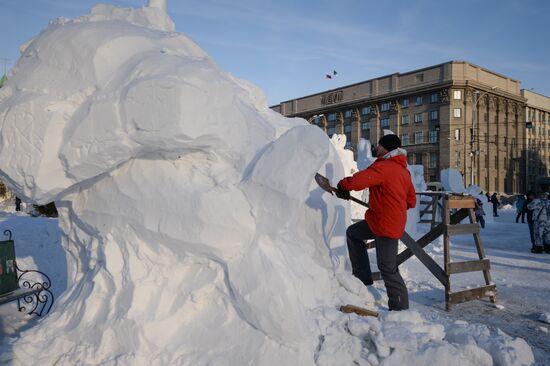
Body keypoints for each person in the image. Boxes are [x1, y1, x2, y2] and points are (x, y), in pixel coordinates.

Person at [335, 134, 416, 311]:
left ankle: (400, 308)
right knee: (353, 233)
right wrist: (391, 202)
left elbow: (362, 179)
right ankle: (363, 280)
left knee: (388, 267)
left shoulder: (385, 166)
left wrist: (343, 185)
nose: (376, 148)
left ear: (385, 148)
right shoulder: (403, 171)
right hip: (381, 220)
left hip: (385, 224)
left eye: (379, 145)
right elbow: (411, 201)